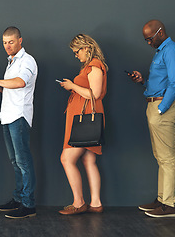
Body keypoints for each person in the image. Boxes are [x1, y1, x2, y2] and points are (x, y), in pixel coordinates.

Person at [129, 20, 175, 218]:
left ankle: (170, 205)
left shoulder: (172, 50)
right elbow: (160, 82)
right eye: (146, 40)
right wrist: (143, 81)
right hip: (154, 105)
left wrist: (161, 109)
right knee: (160, 157)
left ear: (160, 32)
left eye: (150, 39)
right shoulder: (160, 51)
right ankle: (162, 200)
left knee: (168, 158)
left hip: (163, 109)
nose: (149, 43)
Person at [0, 26, 38, 219]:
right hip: (6, 116)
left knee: (23, 161)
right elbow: (11, 88)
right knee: (15, 161)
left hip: (19, 116)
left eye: (11, 42)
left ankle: (29, 205)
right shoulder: (11, 62)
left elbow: (21, 82)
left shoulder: (27, 61)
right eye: (4, 42)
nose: (7, 45)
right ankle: (19, 199)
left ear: (20, 41)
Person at [57, 34, 108, 215]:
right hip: (84, 120)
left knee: (67, 159)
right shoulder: (89, 66)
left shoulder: (94, 66)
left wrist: (72, 86)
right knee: (88, 159)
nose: (76, 55)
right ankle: (96, 203)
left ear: (86, 47)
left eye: (77, 51)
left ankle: (78, 202)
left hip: (84, 120)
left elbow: (94, 93)